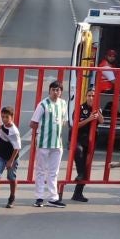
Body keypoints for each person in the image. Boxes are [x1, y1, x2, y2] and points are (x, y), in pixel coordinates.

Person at [31, 79, 70, 208]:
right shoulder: (43, 104)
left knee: (54, 172)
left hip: (57, 144)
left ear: (61, 92)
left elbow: (64, 121)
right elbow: (33, 122)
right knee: (41, 171)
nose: (55, 92)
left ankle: (53, 198)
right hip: (43, 143)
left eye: (57, 90)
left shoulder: (63, 104)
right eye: (53, 89)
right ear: (49, 91)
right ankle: (39, 197)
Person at [0, 105, 21, 208]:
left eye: (6, 117)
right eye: (2, 117)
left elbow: (17, 148)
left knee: (11, 177)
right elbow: (2, 129)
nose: (4, 119)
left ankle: (12, 197)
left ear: (12, 117)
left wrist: (11, 161)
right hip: (1, 154)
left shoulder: (14, 132)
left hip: (11, 156)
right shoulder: (3, 126)